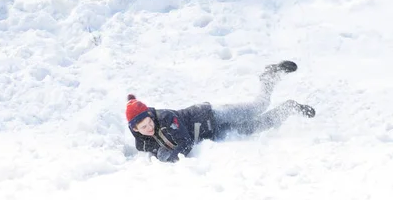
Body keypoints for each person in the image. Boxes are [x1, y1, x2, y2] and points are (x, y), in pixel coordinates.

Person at [126, 60, 316, 162]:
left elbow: (185, 143)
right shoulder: (142, 140)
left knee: (258, 107)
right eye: (144, 127)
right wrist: (160, 153)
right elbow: (150, 149)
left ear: (151, 115)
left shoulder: (166, 117)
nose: (149, 127)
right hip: (215, 133)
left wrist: (169, 157)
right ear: (135, 129)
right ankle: (289, 108)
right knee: (258, 126)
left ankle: (269, 77)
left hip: (212, 115)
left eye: (149, 122)